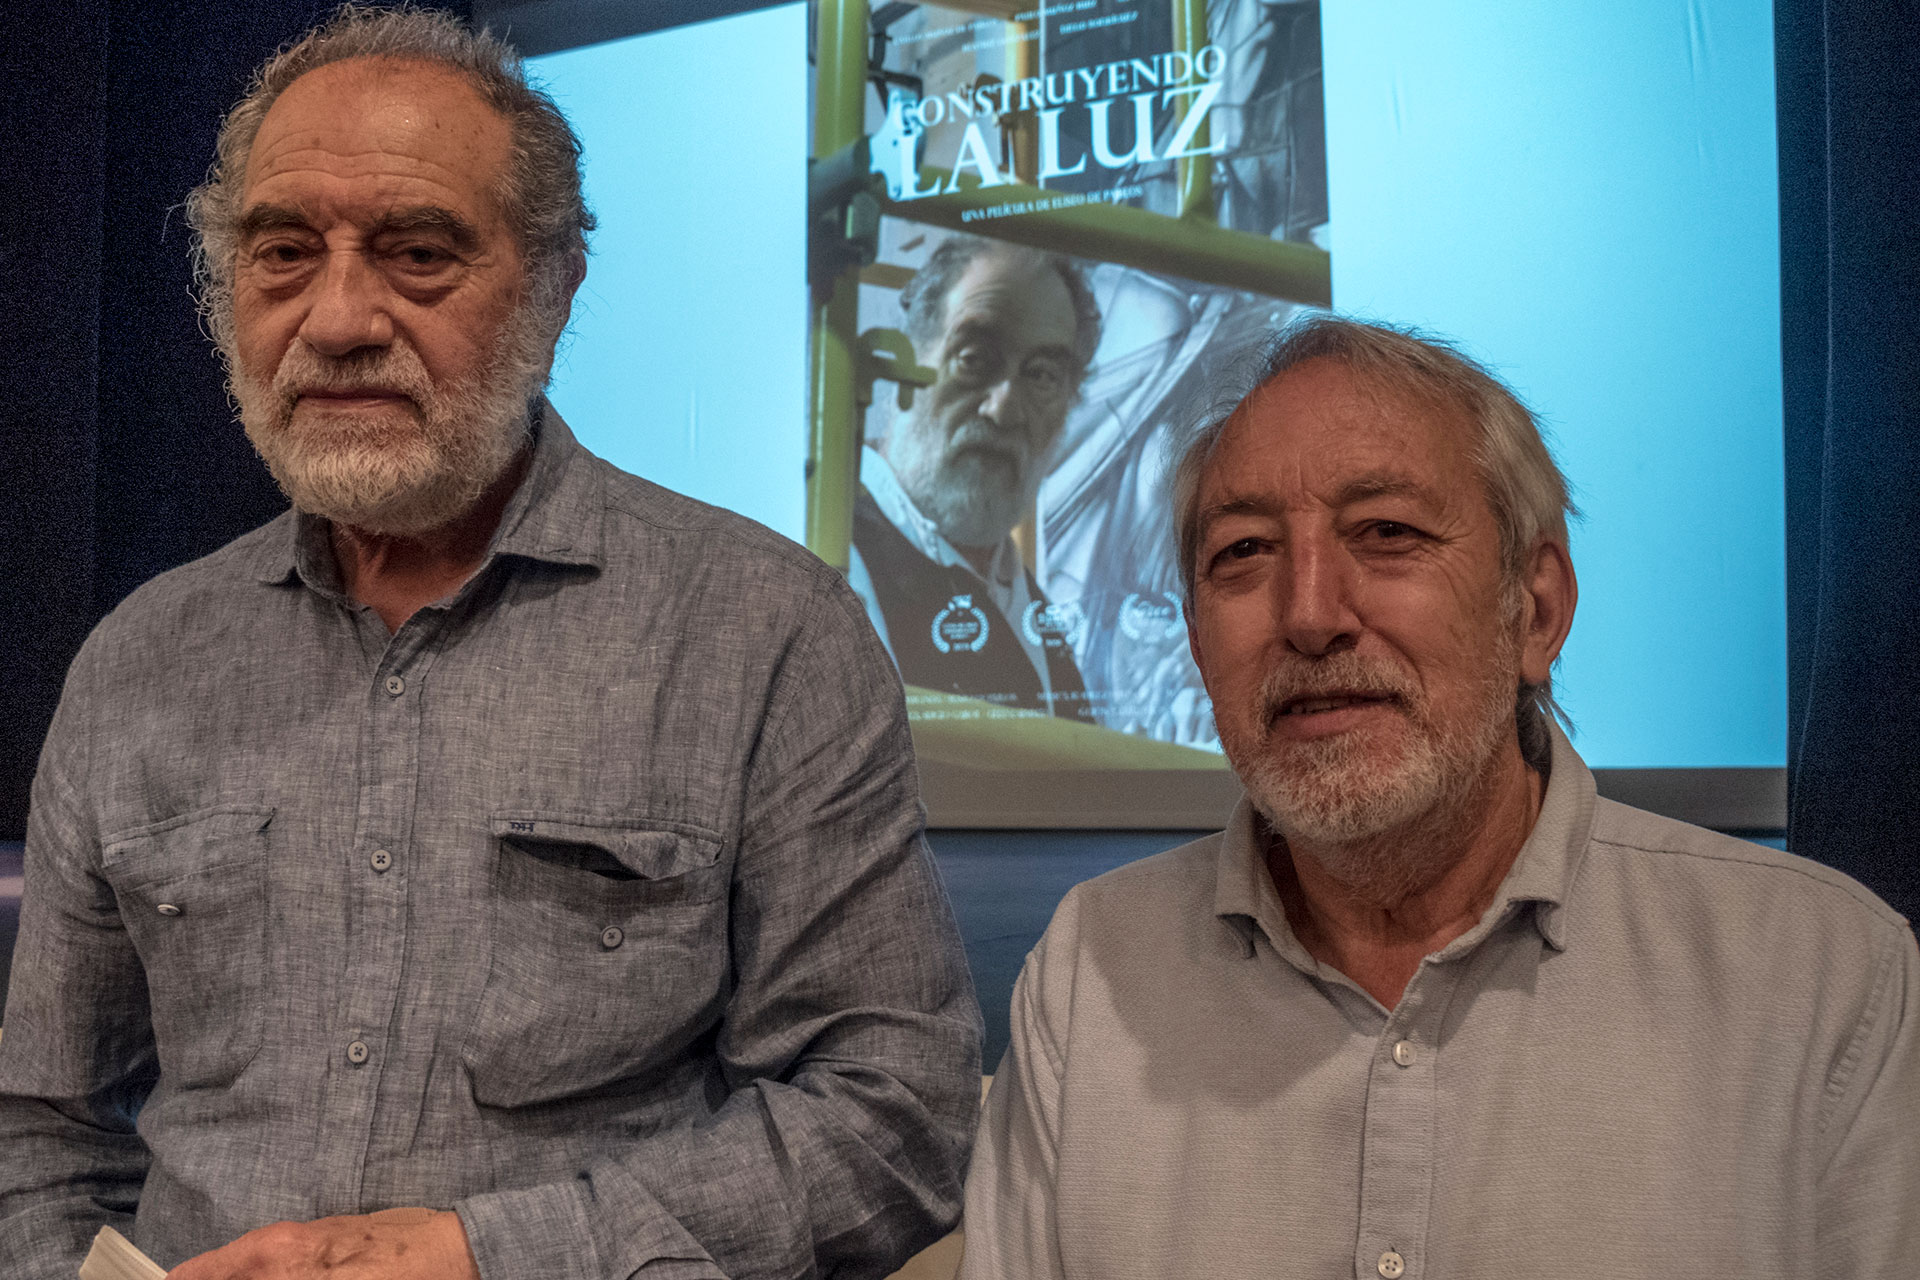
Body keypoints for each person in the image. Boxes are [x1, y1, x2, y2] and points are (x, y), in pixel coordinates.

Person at [0, 9, 981, 1279]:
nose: (339, 317)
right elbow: (41, 1130)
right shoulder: (136, 663)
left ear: (556, 284)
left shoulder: (765, 634)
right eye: (283, 251)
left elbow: (892, 1112)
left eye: (417, 253)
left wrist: (490, 1254)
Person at [959, 316, 1918, 1278]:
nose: (1309, 615)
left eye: (1386, 533)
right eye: (1244, 551)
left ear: (1534, 610)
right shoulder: (1094, 974)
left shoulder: (1818, 976)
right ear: (1202, 648)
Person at [849, 235, 1101, 723]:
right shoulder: (826, 556)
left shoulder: (1032, 611)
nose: (1004, 407)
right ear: (903, 367)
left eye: (1043, 375)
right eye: (974, 359)